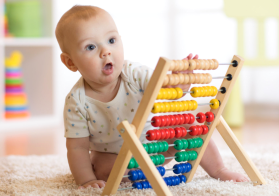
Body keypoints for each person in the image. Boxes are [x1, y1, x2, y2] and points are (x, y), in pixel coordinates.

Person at [55, 5, 249, 189]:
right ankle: (140, 173)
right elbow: (77, 148)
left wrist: (179, 83)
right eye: (90, 47)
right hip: (115, 155)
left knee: (192, 127)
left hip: (155, 146)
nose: (106, 51)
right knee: (103, 169)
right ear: (70, 62)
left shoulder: (133, 73)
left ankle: (219, 169)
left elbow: (166, 88)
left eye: (111, 41)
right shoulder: (77, 101)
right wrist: (86, 179)